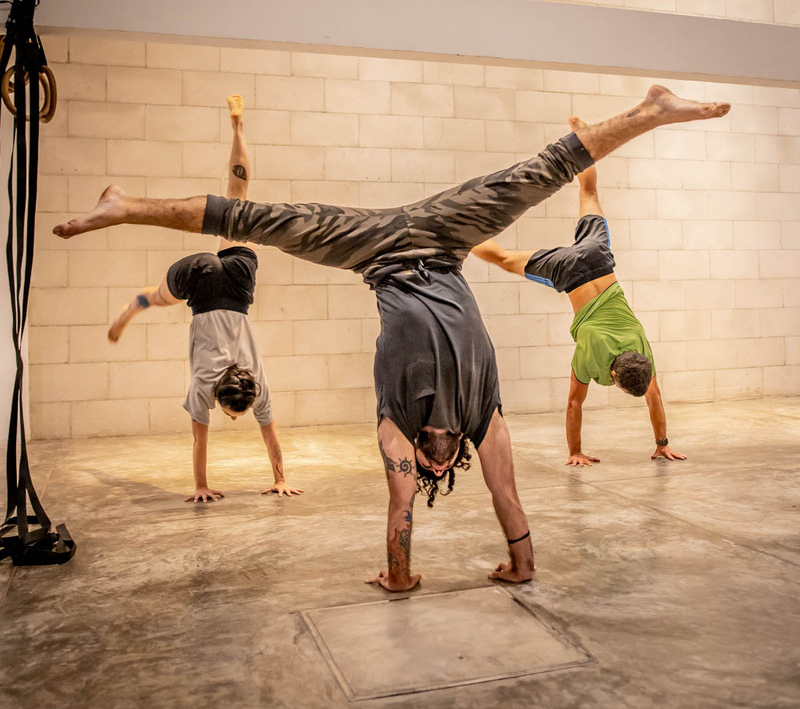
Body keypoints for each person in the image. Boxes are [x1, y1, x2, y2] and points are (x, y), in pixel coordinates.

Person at [54, 85, 728, 590]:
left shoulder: (397, 432)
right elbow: (506, 495)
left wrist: (398, 576)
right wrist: (522, 565)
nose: (428, 465)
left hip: (371, 249)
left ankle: (127, 208)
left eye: (424, 470)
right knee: (537, 175)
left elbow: (399, 507)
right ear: (453, 457)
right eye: (439, 467)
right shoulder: (482, 420)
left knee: (258, 221)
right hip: (445, 236)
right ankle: (650, 112)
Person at [106, 96, 303, 503]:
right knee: (160, 298)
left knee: (239, 196)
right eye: (235, 415)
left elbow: (264, 440)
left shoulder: (257, 384)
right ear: (219, 397)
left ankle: (237, 126)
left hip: (237, 281)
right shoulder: (205, 388)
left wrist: (279, 475)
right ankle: (136, 305)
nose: (234, 419)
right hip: (199, 282)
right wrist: (200, 486)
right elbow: (200, 442)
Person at [473, 115, 687, 468]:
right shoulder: (592, 358)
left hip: (599, 260)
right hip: (569, 271)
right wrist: (574, 452)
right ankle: (452, 236)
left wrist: (662, 443)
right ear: (615, 377)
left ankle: (582, 138)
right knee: (503, 258)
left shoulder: (640, 349)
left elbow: (654, 395)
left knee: (588, 192)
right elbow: (575, 403)